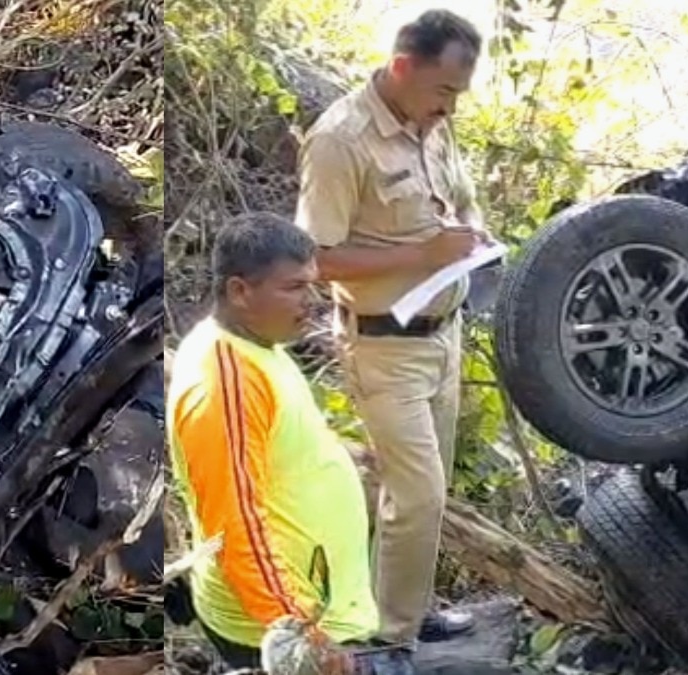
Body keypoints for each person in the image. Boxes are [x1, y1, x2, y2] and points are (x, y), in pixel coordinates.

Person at [293, 8, 488, 666]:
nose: (450, 109)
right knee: (418, 492)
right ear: (403, 68)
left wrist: (470, 237)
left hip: (443, 335)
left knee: (417, 492)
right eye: (443, 92)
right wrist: (426, 255)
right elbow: (312, 260)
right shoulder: (340, 140)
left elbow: (451, 205)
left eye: (458, 96)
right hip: (384, 345)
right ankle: (389, 644)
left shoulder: (431, 122)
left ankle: (403, 611)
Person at [167, 213, 412, 673]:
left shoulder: (258, 347)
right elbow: (235, 526)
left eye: (313, 285)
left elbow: (274, 446)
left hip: (315, 613)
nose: (312, 302)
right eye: (295, 287)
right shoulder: (223, 382)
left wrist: (345, 453)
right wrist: (303, 636)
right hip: (277, 630)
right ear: (240, 291)